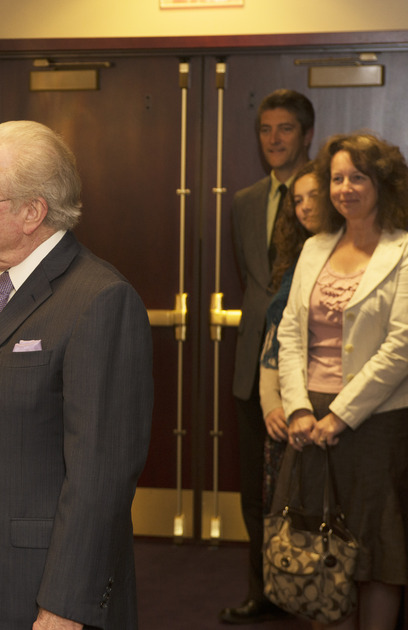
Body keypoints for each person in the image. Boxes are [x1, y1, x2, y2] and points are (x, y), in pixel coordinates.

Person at [0, 120, 153, 630]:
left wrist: (65, 603)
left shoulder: (100, 300)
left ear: (32, 212)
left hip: (41, 588)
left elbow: (100, 477)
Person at [279, 132, 408, 629]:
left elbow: (400, 346)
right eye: (337, 178)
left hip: (376, 421)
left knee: (377, 551)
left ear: (383, 183)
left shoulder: (401, 250)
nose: (346, 188)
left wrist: (341, 416)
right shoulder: (314, 247)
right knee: (317, 545)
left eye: (359, 177)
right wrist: (298, 408)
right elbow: (290, 331)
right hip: (309, 420)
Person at [222, 88, 315, 625]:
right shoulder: (245, 202)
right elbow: (256, 288)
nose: (274, 139)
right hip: (252, 369)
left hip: (315, 369)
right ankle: (265, 591)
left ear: (306, 135)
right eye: (265, 129)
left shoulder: (330, 193)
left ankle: (314, 590)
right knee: (255, 495)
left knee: (307, 489)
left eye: (285, 129)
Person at [258, 161, 320, 514]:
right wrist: (271, 403)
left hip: (328, 410)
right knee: (289, 531)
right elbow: (277, 338)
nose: (305, 207)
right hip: (287, 410)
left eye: (313, 196)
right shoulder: (295, 259)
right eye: (297, 200)